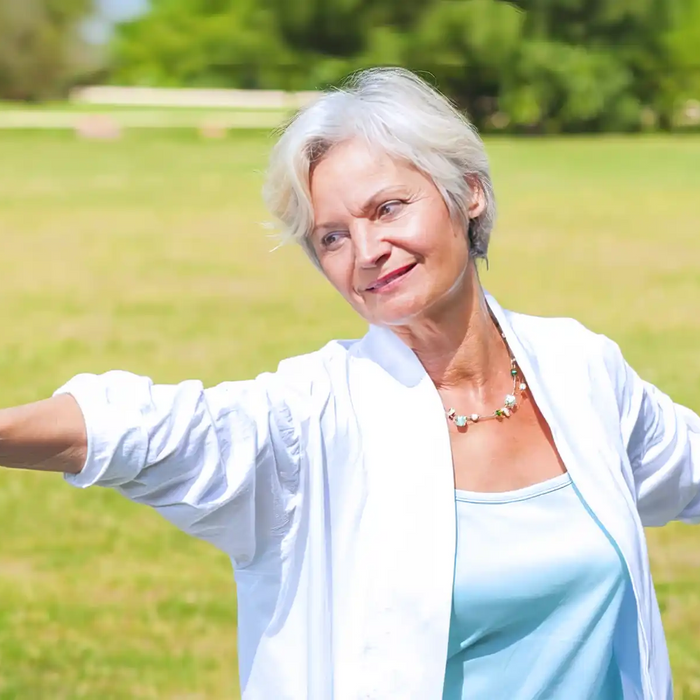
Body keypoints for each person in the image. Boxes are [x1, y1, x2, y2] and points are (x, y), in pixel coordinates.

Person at [0, 67, 698, 700]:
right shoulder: (315, 417)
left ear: (470, 194)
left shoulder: (581, 369)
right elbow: (146, 428)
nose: (366, 253)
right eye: (332, 236)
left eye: (388, 208)